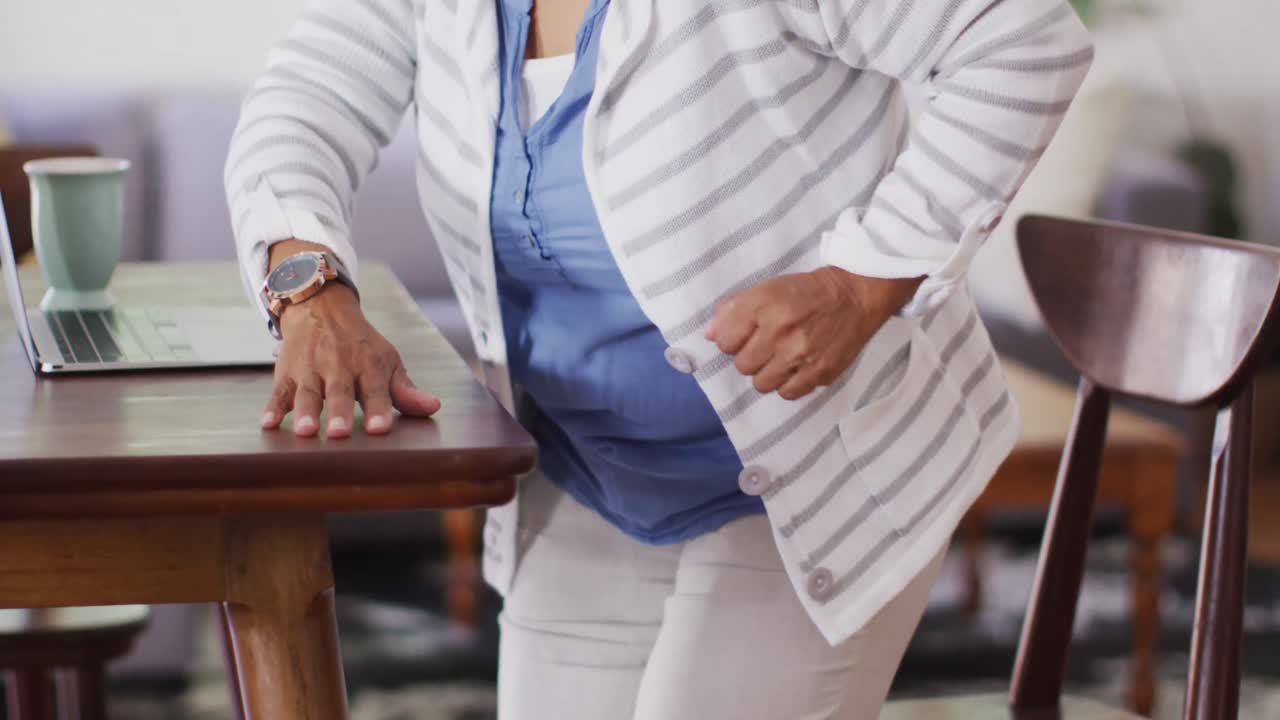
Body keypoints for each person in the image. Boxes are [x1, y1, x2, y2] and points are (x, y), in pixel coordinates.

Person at [224, 0, 1091, 716]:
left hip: (814, 478)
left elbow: (1021, 43)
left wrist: (861, 281)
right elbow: (302, 104)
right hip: (585, 477)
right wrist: (310, 291)